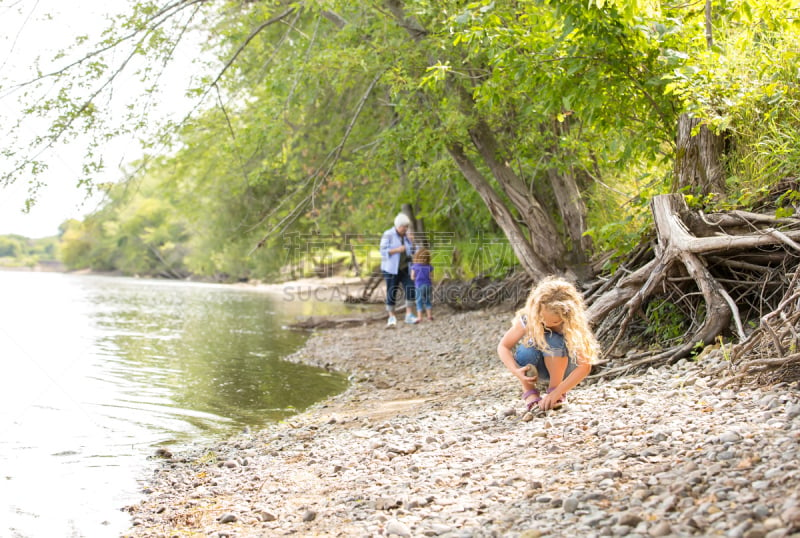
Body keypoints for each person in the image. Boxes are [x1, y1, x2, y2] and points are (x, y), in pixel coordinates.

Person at [497, 276, 599, 412]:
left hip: (564, 368)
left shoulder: (571, 326)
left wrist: (557, 392)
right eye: (542, 320)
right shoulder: (531, 318)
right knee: (526, 349)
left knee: (554, 340)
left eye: (554, 322)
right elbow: (503, 346)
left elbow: (585, 366)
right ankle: (530, 393)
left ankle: (555, 390)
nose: (546, 324)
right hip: (537, 368)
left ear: (566, 316)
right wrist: (515, 370)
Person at [380, 212, 417, 327]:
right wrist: (396, 250)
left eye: (407, 226)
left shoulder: (407, 236)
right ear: (397, 226)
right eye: (404, 226)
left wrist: (412, 242)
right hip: (391, 269)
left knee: (410, 288)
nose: (405, 229)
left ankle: (409, 315)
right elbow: (382, 251)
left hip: (405, 268)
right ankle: (391, 317)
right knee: (392, 291)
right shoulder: (388, 234)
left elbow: (413, 252)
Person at [410, 248, 434, 321]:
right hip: (428, 285)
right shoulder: (429, 266)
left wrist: (416, 278)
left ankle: (420, 317)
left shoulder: (415, 266)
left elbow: (412, 277)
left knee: (419, 301)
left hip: (419, 285)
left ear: (417, 256)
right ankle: (429, 316)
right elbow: (431, 276)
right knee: (427, 300)